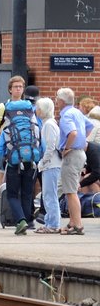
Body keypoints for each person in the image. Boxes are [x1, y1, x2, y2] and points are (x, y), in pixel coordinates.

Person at [0, 84, 40, 235]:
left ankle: (20, 220)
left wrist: (2, 161)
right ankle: (28, 221)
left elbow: (0, 147)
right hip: (32, 161)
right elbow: (42, 143)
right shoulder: (33, 123)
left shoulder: (9, 125)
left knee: (13, 194)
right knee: (28, 193)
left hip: (14, 162)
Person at [56, 87, 94, 235]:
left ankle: (77, 224)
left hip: (72, 155)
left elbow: (72, 133)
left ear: (61, 101)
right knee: (70, 189)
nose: (56, 101)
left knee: (70, 192)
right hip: (80, 154)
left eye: (57, 98)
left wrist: (66, 148)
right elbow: (89, 126)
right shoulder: (77, 112)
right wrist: (83, 142)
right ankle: (72, 222)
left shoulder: (66, 115)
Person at [33, 97, 62, 234]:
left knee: (50, 195)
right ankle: (49, 222)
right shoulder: (49, 123)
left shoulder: (49, 125)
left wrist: (42, 162)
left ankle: (53, 224)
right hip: (51, 164)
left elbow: (50, 147)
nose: (36, 110)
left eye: (38, 108)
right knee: (48, 195)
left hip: (51, 165)